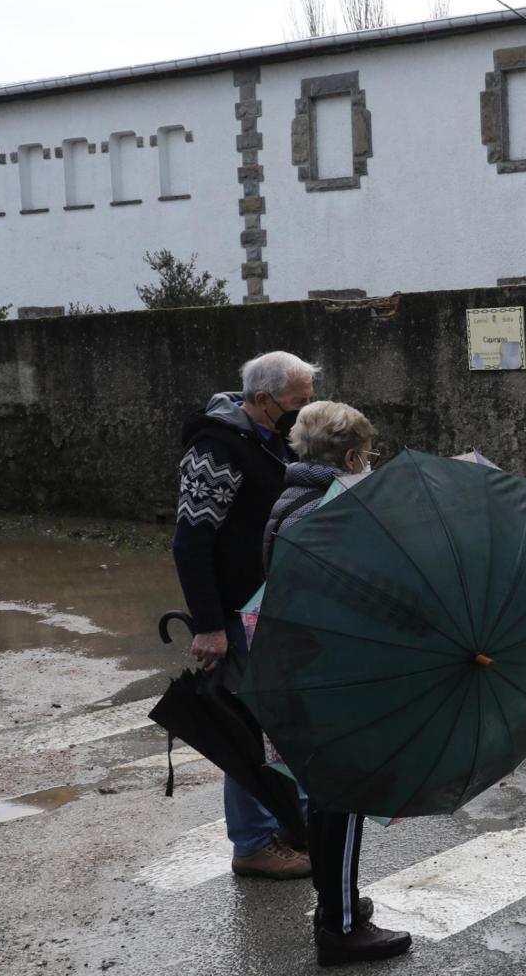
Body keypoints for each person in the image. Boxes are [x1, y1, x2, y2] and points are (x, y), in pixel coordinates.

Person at [261, 401, 413, 966]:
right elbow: (342, 598)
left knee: (327, 798)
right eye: (368, 454)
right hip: (330, 676)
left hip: (302, 670)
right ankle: (342, 926)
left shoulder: (293, 497)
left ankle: (338, 902)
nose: (372, 462)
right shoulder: (329, 513)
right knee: (344, 798)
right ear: (351, 456)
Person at [172, 350, 316, 880]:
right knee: (250, 728)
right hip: (238, 612)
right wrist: (210, 625)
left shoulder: (268, 438)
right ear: (262, 400)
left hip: (273, 607)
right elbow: (192, 540)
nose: (304, 412)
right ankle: (253, 844)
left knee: (285, 721)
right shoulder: (216, 449)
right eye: (297, 403)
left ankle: (293, 826)